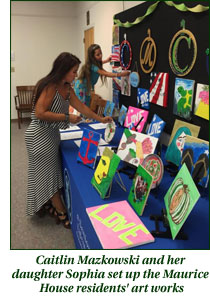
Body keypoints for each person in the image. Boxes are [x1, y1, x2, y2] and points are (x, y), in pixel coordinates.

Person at [25, 52, 112, 229]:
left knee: (48, 174)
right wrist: (66, 118)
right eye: (73, 71)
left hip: (51, 136)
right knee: (48, 177)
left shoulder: (68, 88)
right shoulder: (50, 86)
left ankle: (46, 203)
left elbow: (82, 108)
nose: (75, 75)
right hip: (39, 137)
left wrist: (100, 119)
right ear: (63, 70)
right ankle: (61, 211)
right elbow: (39, 113)